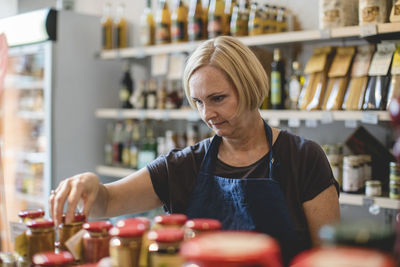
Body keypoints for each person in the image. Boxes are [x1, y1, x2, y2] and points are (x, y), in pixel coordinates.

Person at [50, 36, 340, 263]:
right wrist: (91, 185)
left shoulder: (303, 157)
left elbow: (330, 257)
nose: (207, 114)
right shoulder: (183, 166)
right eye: (198, 102)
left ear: (250, 87)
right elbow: (108, 202)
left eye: (217, 98)